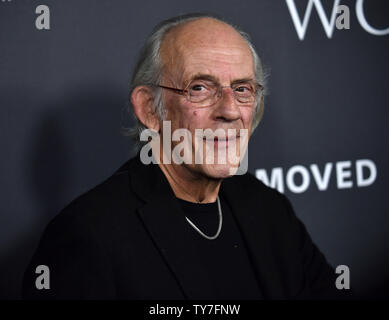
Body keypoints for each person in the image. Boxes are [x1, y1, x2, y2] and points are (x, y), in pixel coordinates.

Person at [23, 13, 348, 300]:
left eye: (243, 89)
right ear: (150, 109)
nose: (230, 110)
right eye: (200, 88)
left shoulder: (269, 208)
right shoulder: (88, 237)